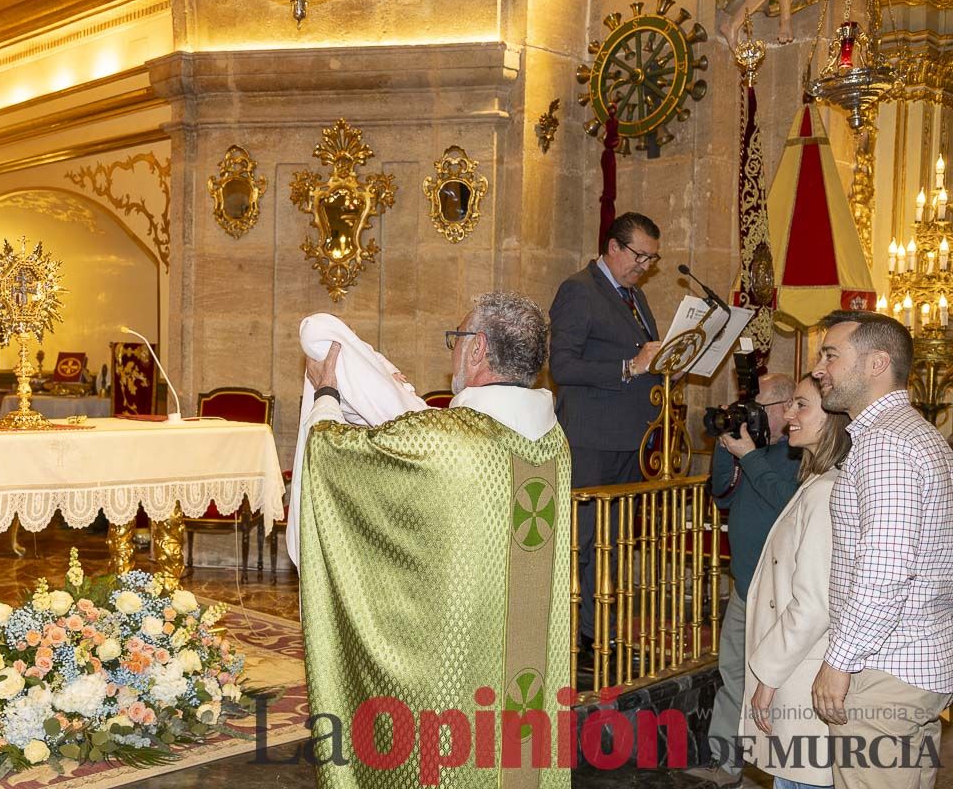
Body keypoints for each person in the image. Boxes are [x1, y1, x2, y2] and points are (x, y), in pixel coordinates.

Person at [298, 292, 571, 788]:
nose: (453, 353)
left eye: (456, 340)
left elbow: (333, 458)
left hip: (453, 667)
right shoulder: (553, 442)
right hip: (514, 652)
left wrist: (327, 396)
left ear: (477, 349)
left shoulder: (445, 439)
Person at [809, 310, 953, 789]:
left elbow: (885, 572)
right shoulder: (916, 434)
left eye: (831, 354)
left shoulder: (886, 443)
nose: (818, 367)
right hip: (917, 663)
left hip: (885, 667)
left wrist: (839, 662)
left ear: (876, 363)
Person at [548, 211, 662, 654]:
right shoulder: (579, 290)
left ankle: (601, 636)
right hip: (591, 439)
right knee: (583, 541)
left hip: (629, 440)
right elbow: (562, 366)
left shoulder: (635, 297)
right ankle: (567, 637)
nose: (645, 266)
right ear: (613, 247)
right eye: (639, 256)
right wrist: (630, 367)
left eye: (652, 259)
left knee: (612, 544)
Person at [739, 376, 851, 789]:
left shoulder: (828, 491)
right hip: (796, 672)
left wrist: (766, 677)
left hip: (799, 680)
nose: (788, 414)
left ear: (834, 419)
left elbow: (814, 603)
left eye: (801, 406)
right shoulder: (817, 484)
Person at [688, 372, 798, 787]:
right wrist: (726, 448)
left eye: (760, 406)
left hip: (780, 595)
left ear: (786, 408)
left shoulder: (798, 454)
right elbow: (723, 493)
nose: (752, 413)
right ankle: (726, 765)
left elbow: (786, 501)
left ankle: (783, 770)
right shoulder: (755, 451)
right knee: (733, 675)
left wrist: (749, 455)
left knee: (778, 685)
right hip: (744, 587)